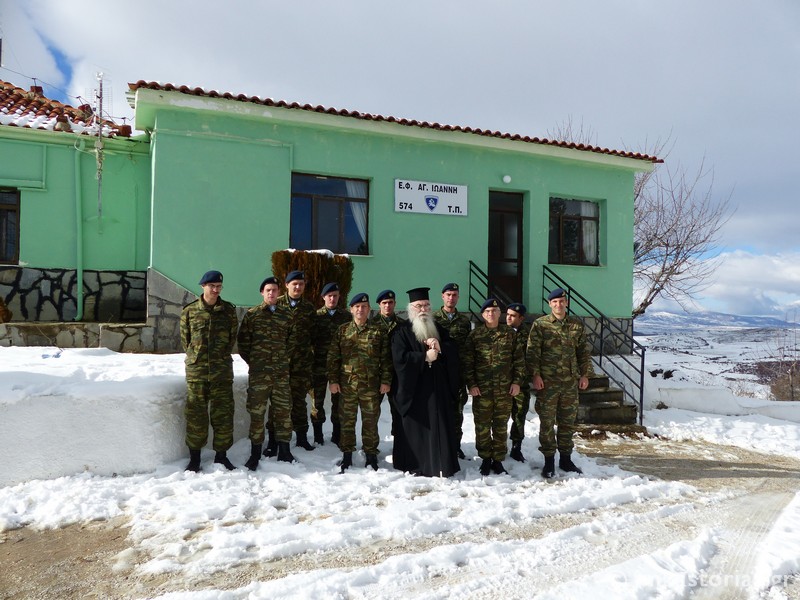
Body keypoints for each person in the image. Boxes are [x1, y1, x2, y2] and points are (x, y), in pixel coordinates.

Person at [391, 287, 461, 477]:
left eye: (426, 306)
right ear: (411, 308)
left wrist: (441, 348)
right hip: (414, 392)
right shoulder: (401, 331)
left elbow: (454, 351)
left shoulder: (439, 329)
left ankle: (441, 463)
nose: (423, 309)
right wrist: (424, 358)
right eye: (419, 306)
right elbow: (399, 358)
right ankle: (415, 464)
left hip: (437, 390)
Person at [527, 288, 591, 478]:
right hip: (547, 383)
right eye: (554, 302)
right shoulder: (541, 325)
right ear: (549, 304)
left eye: (561, 301)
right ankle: (548, 462)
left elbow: (583, 353)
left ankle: (565, 459)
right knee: (546, 422)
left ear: (567, 303)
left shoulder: (576, 326)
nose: (558, 304)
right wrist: (535, 375)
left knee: (567, 422)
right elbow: (533, 352)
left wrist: (585, 375)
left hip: (570, 383)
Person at [180, 270, 239, 472]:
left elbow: (232, 339)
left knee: (223, 415)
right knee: (196, 414)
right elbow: (185, 341)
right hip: (197, 373)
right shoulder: (189, 312)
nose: (215, 290)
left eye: (218, 286)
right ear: (203, 286)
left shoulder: (229, 311)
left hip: (221, 372)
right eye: (211, 286)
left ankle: (221, 456)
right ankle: (194, 458)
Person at [327, 293, 392, 472]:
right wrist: (333, 381)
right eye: (357, 307)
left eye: (364, 307)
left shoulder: (378, 331)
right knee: (347, 421)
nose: (360, 310)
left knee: (370, 421)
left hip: (371, 385)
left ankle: (371, 455)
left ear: (369, 309)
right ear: (351, 309)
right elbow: (333, 358)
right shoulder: (342, 331)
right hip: (347, 385)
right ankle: (347, 455)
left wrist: (386, 380)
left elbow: (386, 359)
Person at [237, 276, 294, 469]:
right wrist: (255, 362)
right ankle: (255, 452)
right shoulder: (252, 315)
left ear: (279, 293)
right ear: (262, 292)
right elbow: (243, 343)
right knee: (257, 413)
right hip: (260, 375)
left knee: (283, 412)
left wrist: (282, 361)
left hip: (281, 375)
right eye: (268, 290)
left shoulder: (286, 316)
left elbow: (291, 342)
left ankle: (285, 451)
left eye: (275, 290)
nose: (272, 293)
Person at [464, 298, 525, 476]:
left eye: (494, 311)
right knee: (482, 426)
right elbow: (468, 363)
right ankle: (485, 459)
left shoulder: (510, 334)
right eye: (487, 312)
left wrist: (517, 382)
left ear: (500, 314)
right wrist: (472, 384)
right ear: (483, 315)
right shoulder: (475, 336)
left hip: (504, 390)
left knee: (500, 426)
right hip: (482, 390)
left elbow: (519, 361)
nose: (491, 314)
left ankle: (498, 460)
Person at [276, 270, 317, 451]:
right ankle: (275, 439)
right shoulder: (276, 305)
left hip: (301, 364)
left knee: (299, 401)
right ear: (286, 285)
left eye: (301, 284)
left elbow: (314, 336)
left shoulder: (308, 309)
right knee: (279, 402)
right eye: (294, 284)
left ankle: (301, 437)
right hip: (280, 364)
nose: (298, 287)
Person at [310, 282, 352, 447]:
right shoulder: (316, 316)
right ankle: (318, 436)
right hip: (319, 366)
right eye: (329, 296)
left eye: (335, 296)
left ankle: (337, 435)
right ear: (323, 297)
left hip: (339, 367)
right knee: (317, 402)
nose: (332, 299)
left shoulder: (346, 317)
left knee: (339, 402)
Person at [433, 282, 472, 458]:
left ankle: (456, 445)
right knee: (439, 410)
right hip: (439, 372)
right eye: (448, 294)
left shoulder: (464, 321)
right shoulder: (433, 319)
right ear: (442, 296)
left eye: (454, 295)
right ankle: (440, 445)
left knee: (457, 411)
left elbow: (466, 347)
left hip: (458, 373)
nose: (451, 298)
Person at [369, 289, 407, 436]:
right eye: (384, 303)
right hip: (377, 375)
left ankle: (399, 444)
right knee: (371, 414)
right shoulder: (372, 325)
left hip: (397, 375)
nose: (387, 306)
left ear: (395, 304)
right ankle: (371, 446)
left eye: (390, 303)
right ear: (379, 305)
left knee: (398, 412)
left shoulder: (403, 325)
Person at [505, 302, 532, 462]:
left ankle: (516, 446)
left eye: (513, 315)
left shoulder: (529, 335)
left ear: (521, 318)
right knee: (499, 417)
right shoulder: (500, 332)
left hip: (521, 383)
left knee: (519, 415)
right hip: (502, 382)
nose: (508, 317)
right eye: (507, 314)